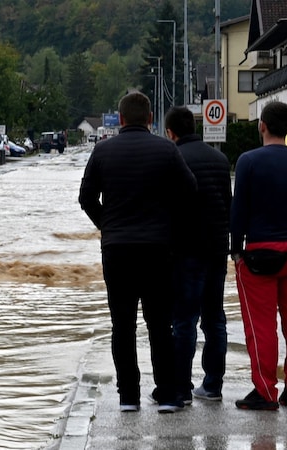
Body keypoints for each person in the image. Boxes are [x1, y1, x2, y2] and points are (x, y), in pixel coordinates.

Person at [79, 91, 197, 413]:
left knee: (123, 325)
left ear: (120, 119)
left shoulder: (102, 151)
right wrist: (167, 223)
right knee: (159, 324)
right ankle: (168, 394)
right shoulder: (167, 150)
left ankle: (128, 396)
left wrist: (108, 224)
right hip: (158, 249)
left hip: (117, 250)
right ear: (149, 119)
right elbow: (189, 191)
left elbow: (86, 197)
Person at [230, 101, 287, 410]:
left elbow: (238, 211)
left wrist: (236, 250)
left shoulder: (248, 161)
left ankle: (265, 391)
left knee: (261, 325)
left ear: (262, 125)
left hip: (258, 253)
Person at [164, 106, 231, 405]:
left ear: (171, 133)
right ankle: (213, 386)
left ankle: (181, 388)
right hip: (217, 250)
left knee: (184, 321)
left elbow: (167, 209)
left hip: (185, 252)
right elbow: (227, 205)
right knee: (215, 319)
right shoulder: (220, 159)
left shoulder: (173, 159)